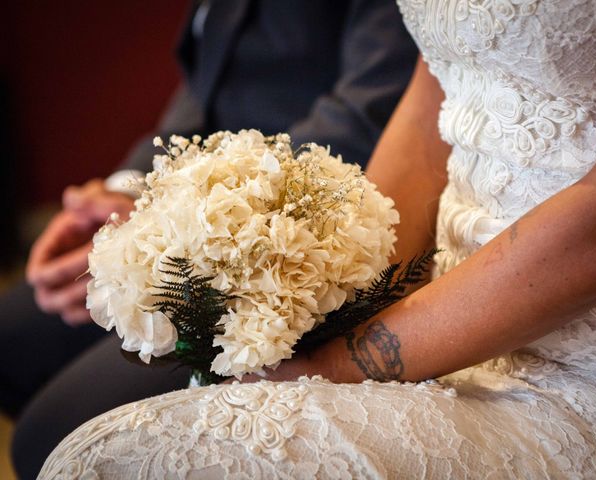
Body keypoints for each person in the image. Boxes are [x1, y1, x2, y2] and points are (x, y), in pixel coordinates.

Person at [39, 1, 596, 479]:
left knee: (111, 461)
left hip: (595, 355)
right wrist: (332, 295)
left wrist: (344, 360)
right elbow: (433, 107)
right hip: (433, 294)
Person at [4, 1, 417, 477]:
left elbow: (366, 115)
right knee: (13, 341)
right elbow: (206, 86)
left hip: (293, 220)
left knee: (51, 434)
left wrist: (181, 206)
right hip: (190, 200)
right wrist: (130, 187)